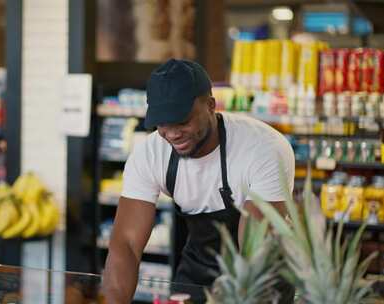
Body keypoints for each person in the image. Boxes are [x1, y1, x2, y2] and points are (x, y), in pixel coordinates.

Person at [101, 59, 295, 303]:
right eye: (162, 123)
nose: (171, 133)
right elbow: (126, 246)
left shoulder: (263, 149)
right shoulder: (149, 154)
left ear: (211, 105)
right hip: (197, 272)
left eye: (182, 121)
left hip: (261, 281)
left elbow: (254, 253)